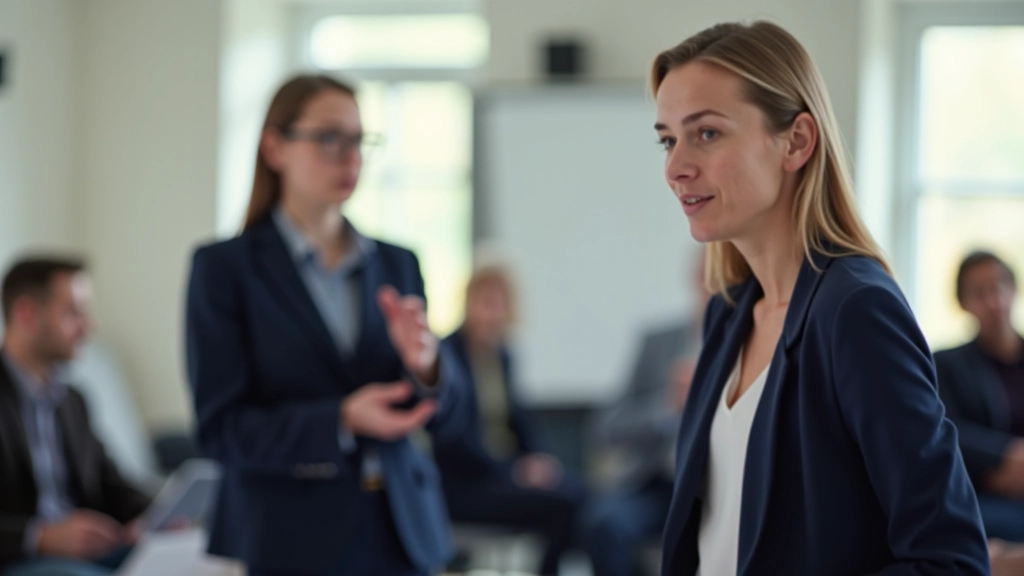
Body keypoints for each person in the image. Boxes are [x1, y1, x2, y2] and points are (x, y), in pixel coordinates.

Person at [650, 21, 988, 575]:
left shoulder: (856, 311)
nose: (675, 167)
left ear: (797, 142)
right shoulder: (729, 311)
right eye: (668, 139)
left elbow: (950, 560)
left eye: (706, 133)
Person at [185, 74, 467, 576]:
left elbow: (453, 415)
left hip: (403, 530)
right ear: (276, 147)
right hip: (288, 538)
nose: (350, 156)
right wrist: (341, 418)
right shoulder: (224, 269)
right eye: (330, 138)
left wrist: (427, 366)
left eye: (359, 141)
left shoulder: (399, 262)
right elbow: (220, 430)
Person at [0, 258, 152, 576]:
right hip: (18, 558)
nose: (88, 327)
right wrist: (40, 537)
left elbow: (111, 483)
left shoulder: (72, 401)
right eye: (73, 313)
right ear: (26, 314)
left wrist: (154, 515)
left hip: (87, 554)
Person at [434, 264, 585, 576]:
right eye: (485, 302)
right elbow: (453, 439)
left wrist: (540, 461)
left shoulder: (502, 356)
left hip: (501, 476)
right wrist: (514, 471)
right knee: (563, 505)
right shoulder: (447, 353)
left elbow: (520, 420)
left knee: (580, 490)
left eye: (499, 303)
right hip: (465, 483)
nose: (493, 313)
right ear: (469, 302)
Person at [582, 253, 708, 576]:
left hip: (715, 490)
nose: (714, 285)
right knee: (604, 523)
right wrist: (668, 407)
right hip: (658, 483)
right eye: (706, 276)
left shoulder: (753, 343)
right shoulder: (659, 342)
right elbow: (607, 426)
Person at [935, 251, 1024, 541]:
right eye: (979, 292)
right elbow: (943, 429)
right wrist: (1004, 456)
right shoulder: (947, 364)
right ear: (963, 302)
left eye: (999, 286)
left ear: (1014, 289)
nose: (994, 301)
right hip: (986, 492)